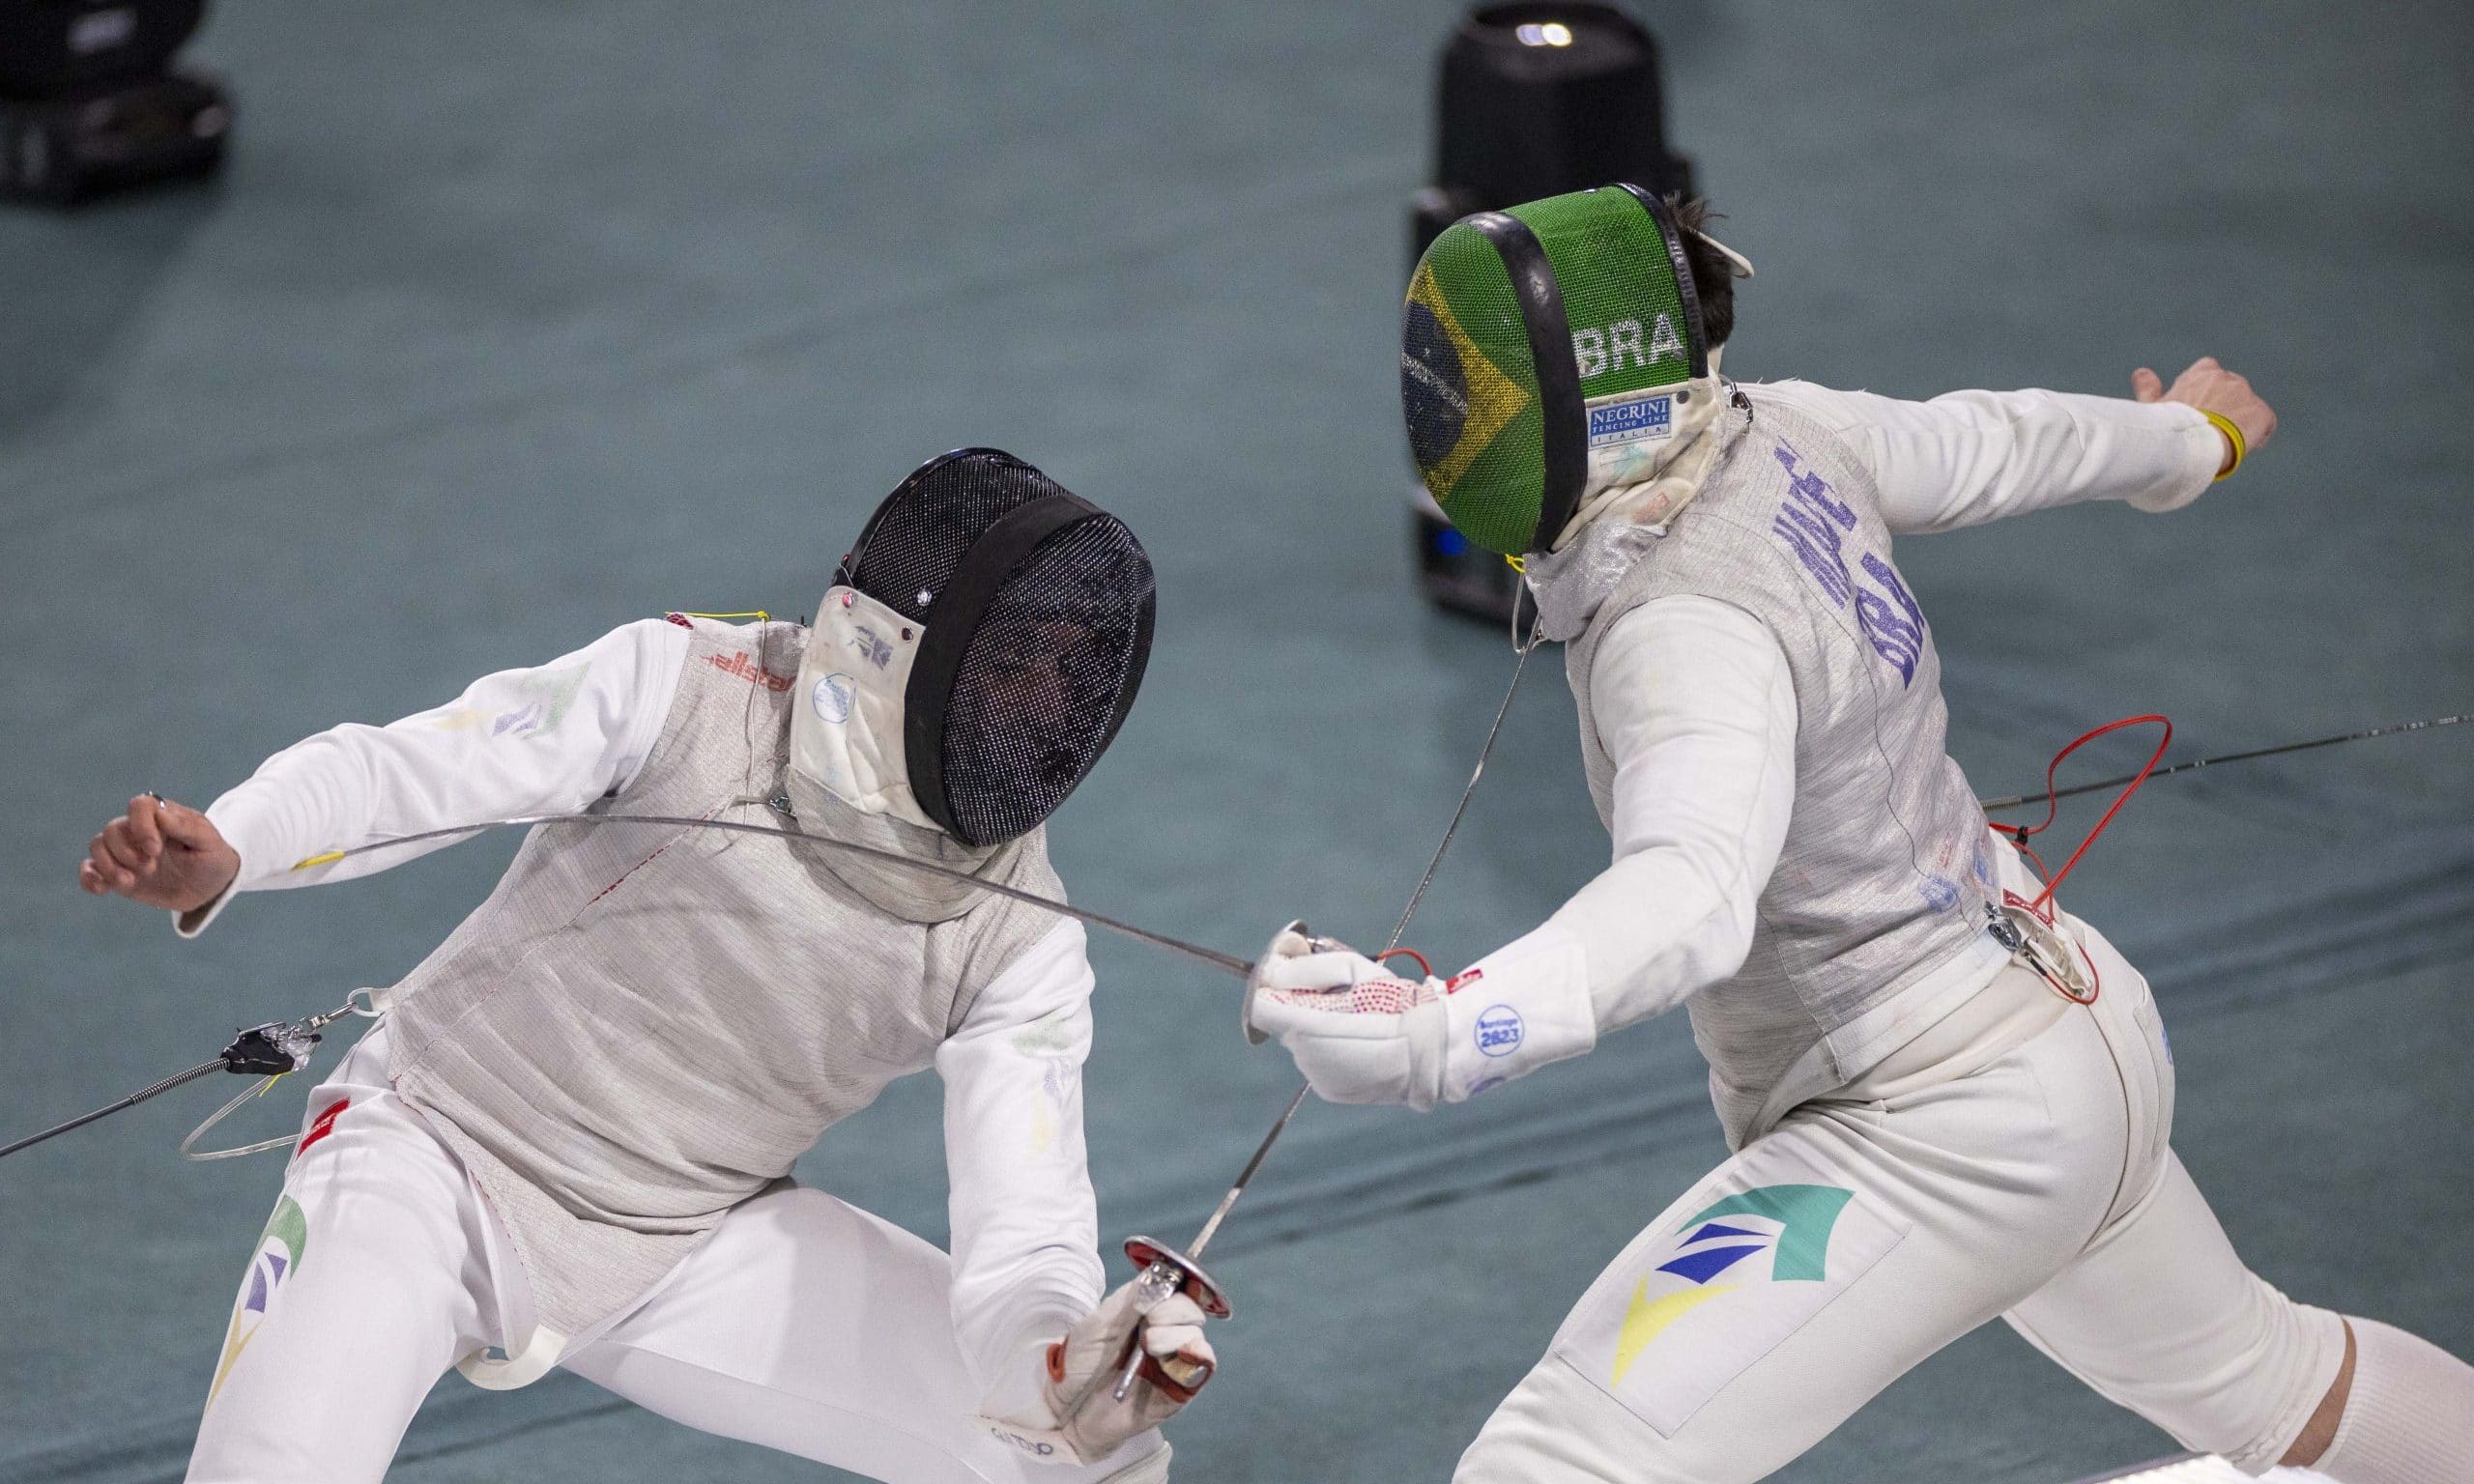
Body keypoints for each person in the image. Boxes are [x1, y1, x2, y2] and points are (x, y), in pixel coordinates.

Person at [1248, 186, 2474, 1483]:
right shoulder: (1786, 431)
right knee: (2272, 1384)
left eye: (1480, 389)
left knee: (1556, 1465)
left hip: (1941, 1124)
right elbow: (1993, 442)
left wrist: (1446, 1032)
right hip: (2074, 1032)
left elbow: (1690, 894)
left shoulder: (1682, 625)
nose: (1449, 419)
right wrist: (2185, 440)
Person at [81, 449, 1215, 1484]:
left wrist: (1059, 1368)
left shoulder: (1019, 940)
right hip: (434, 1156)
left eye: (1074, 675)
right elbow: (409, 772)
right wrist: (240, 846)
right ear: (905, 648)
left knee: (1071, 1454)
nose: (1048, 706)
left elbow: (1026, 1226)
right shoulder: (690, 686)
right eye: (1020, 664)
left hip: (683, 1232)